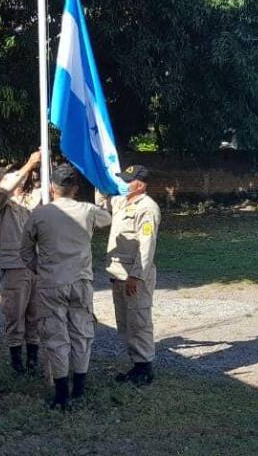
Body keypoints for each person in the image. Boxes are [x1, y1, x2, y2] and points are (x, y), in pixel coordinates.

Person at [20, 164, 112, 410]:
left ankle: (62, 395)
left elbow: (25, 251)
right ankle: (79, 389)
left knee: (56, 337)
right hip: (81, 282)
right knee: (82, 334)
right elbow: (107, 218)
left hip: (52, 283)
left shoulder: (40, 214)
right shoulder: (86, 210)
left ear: (52, 188)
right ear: (75, 188)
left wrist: (40, 269)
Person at [98, 165, 162, 386]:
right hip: (118, 274)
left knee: (139, 321)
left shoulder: (147, 208)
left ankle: (144, 368)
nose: (123, 185)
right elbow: (102, 204)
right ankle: (136, 365)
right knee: (125, 323)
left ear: (140, 184)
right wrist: (99, 179)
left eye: (128, 181)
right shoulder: (122, 202)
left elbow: (147, 245)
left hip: (134, 277)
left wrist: (136, 276)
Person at [0, 149, 42, 375]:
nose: (19, 180)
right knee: (15, 315)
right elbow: (6, 188)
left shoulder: (30, 201)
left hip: (36, 266)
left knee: (35, 315)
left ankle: (33, 360)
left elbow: (50, 190)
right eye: (12, 178)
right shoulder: (1, 203)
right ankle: (17, 364)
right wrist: (29, 163)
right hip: (15, 267)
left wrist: (44, 162)